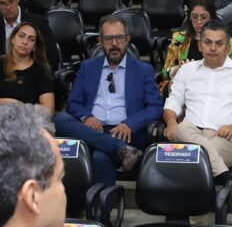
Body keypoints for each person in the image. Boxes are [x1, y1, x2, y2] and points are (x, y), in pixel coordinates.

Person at [54, 15, 163, 187]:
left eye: (119, 38)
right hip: (91, 128)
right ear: (100, 40)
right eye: (108, 38)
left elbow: (156, 107)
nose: (114, 43)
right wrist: (87, 118)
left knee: (101, 157)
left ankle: (99, 212)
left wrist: (130, 124)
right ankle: (119, 149)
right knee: (58, 119)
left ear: (127, 40)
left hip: (124, 132)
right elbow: (73, 103)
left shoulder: (144, 70)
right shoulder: (88, 67)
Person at [164, 20, 232, 180]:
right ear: (199, 45)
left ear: (228, 46)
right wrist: (170, 122)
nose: (212, 48)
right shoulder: (186, 71)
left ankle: (191, 198)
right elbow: (173, 101)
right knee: (182, 128)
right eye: (208, 42)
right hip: (189, 133)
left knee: (190, 158)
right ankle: (225, 177)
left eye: (219, 43)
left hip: (225, 138)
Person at [158, 0, 232, 93]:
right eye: (194, 17)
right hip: (185, 89)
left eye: (204, 17)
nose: (199, 22)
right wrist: (176, 70)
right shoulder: (179, 39)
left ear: (212, 17)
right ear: (189, 17)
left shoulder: (225, 41)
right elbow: (164, 73)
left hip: (215, 88)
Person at [0, 21, 54, 111]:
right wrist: (6, 102)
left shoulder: (41, 69)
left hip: (26, 120)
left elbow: (48, 109)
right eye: (21, 36)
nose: (25, 42)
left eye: (31, 39)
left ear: (34, 47)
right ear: (12, 39)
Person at [0, 0, 59, 70]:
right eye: (2, 4)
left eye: (11, 1)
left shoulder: (39, 22)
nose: (8, 7)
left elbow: (52, 57)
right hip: (3, 74)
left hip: (33, 74)